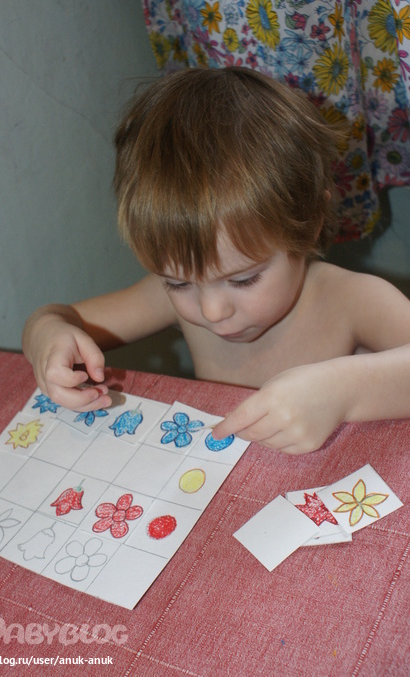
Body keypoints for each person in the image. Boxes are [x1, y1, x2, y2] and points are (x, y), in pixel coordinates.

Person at [22, 67, 410, 455]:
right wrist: (46, 335)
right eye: (177, 282)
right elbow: (55, 317)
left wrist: (342, 392)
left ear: (311, 224)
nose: (211, 311)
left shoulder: (352, 301)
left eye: (243, 279)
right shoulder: (170, 299)